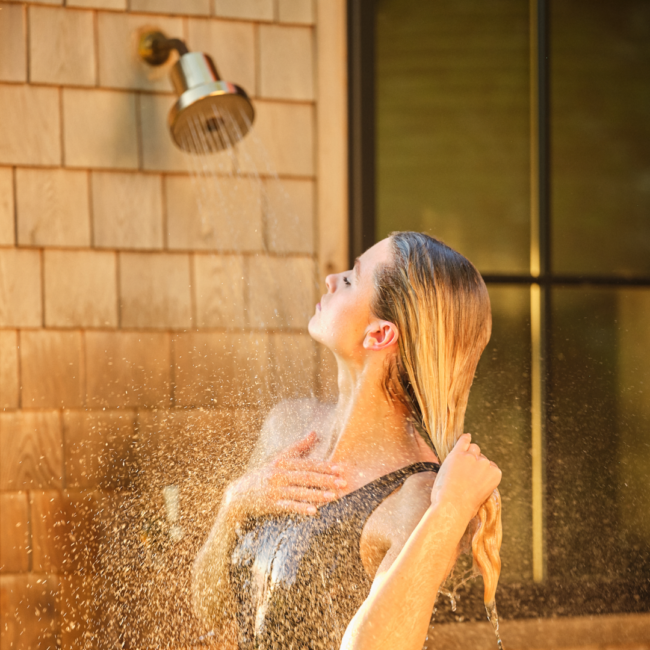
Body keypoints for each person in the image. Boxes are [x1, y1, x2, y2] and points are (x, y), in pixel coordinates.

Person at [192, 232, 503, 650]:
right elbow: (208, 607)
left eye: (353, 280)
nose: (331, 280)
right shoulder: (288, 427)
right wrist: (235, 503)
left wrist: (450, 511)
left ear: (379, 335)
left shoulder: (418, 496)